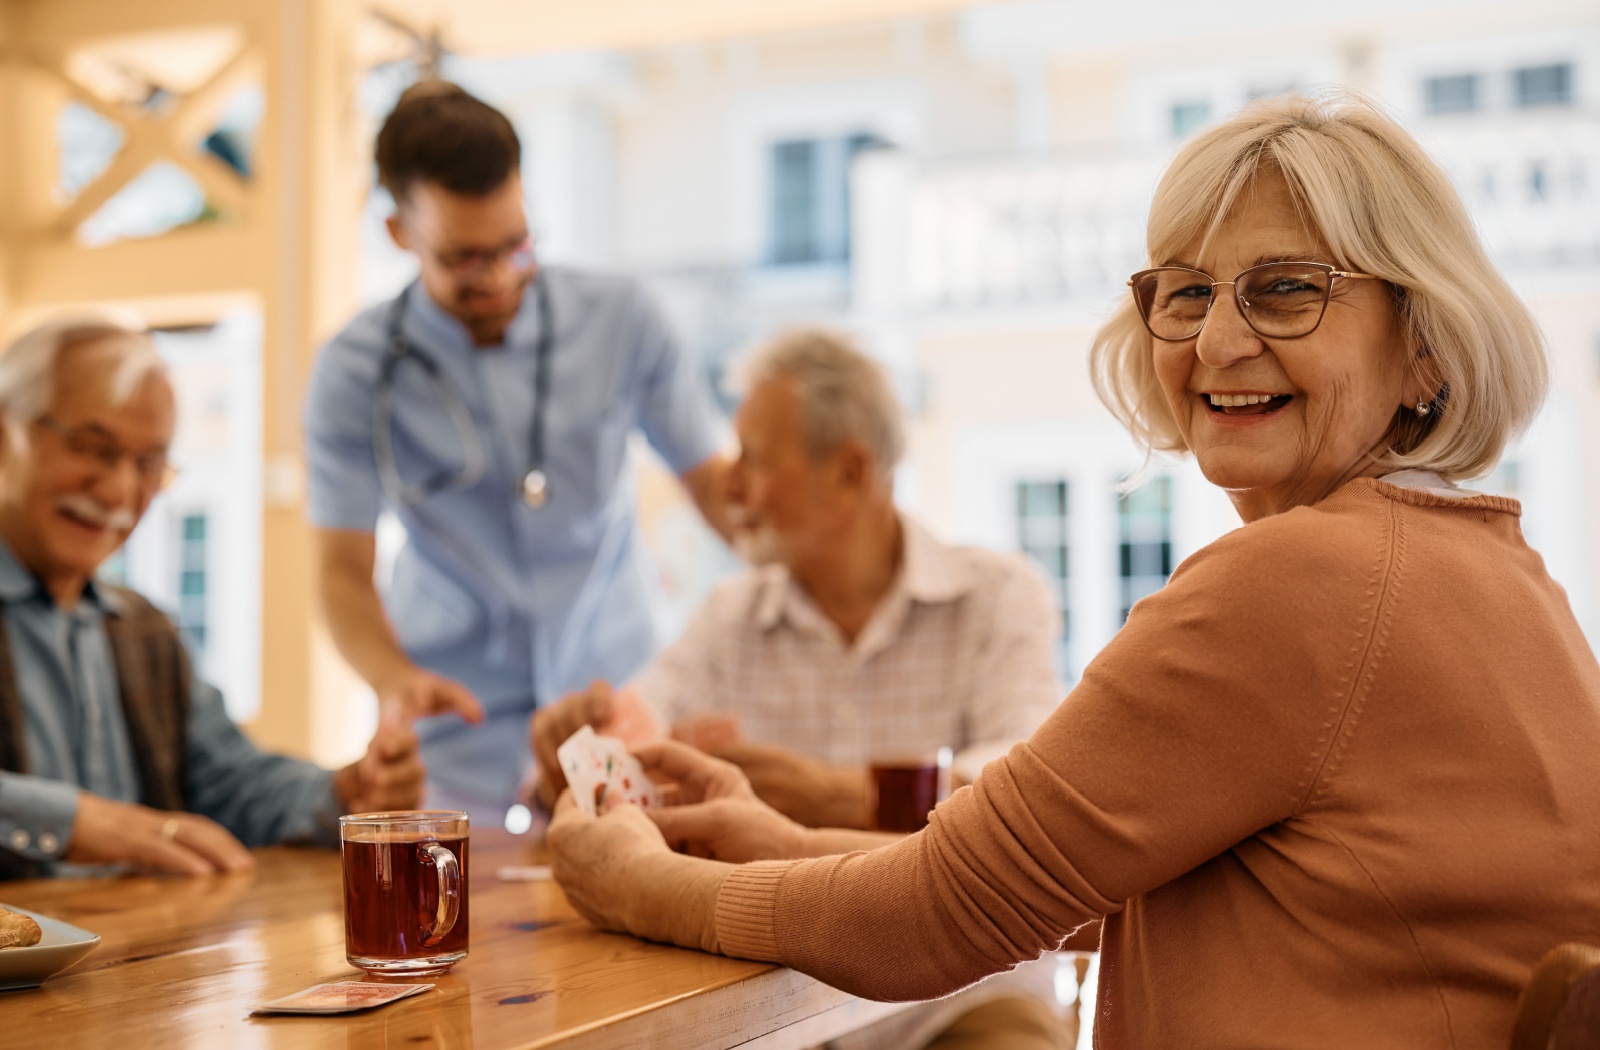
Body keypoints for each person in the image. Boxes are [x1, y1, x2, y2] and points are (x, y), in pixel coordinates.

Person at [546, 92, 1600, 1048]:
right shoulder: (1503, 573)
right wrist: (775, 841)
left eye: (1287, 291)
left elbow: (934, 920)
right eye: (1184, 294)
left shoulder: (1301, 581)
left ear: (1423, 345)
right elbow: (1091, 882)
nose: (1217, 340)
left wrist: (641, 885)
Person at [533, 330, 1070, 1048]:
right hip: (773, 1008)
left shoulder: (998, 597)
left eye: (753, 457)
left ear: (851, 470)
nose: (727, 485)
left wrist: (837, 794)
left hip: (965, 997)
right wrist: (583, 750)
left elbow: (1023, 798)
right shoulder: (729, 617)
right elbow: (633, 730)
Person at [304, 81, 733, 823]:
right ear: (399, 232)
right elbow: (342, 573)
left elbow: (724, 498)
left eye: (515, 246)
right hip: (458, 730)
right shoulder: (353, 370)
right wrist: (394, 678)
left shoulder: (624, 320)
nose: (500, 278)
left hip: (611, 711)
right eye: (466, 260)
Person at [0, 318, 427, 880]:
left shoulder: (142, 629)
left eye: (149, 464)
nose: (120, 492)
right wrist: (72, 819)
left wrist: (346, 792)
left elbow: (229, 781)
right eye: (92, 448)